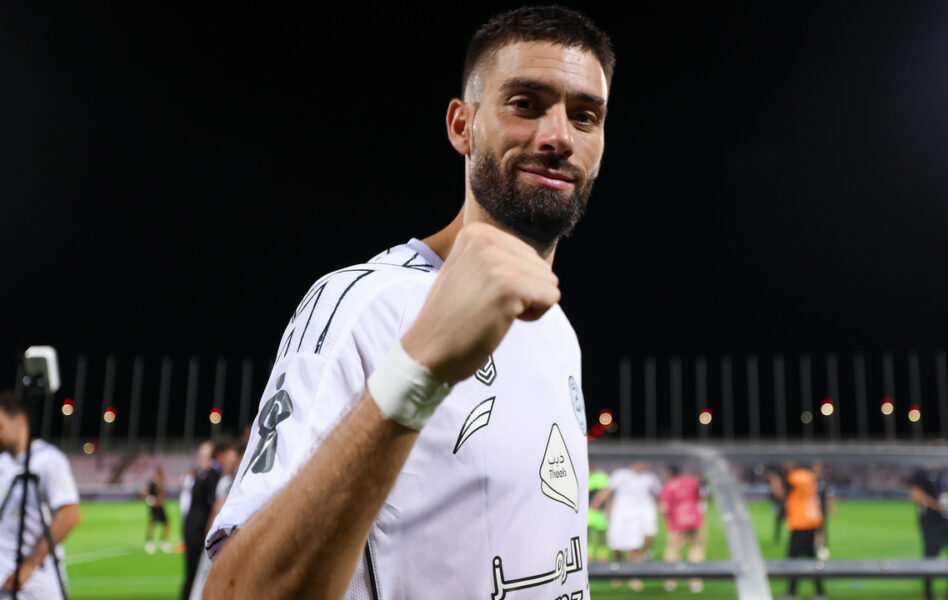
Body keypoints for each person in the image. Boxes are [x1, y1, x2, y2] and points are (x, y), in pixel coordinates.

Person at [204, 6, 614, 598]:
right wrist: (415, 373)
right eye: (525, 103)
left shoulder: (559, 331)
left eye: (585, 116)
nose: (559, 137)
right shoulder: (365, 305)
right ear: (462, 126)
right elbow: (236, 591)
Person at [0, 391, 80, 599]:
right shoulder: (2, 463)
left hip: (36, 586)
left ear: (20, 422)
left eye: (0, 426)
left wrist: (29, 565)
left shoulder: (47, 460)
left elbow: (70, 514)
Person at [591, 462, 660, 591]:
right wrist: (596, 502)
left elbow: (657, 494)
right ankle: (619, 573)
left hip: (637, 518)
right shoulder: (620, 475)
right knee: (616, 546)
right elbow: (608, 490)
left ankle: (634, 576)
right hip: (620, 516)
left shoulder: (649, 478)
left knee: (634, 547)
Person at [183, 436, 237, 600]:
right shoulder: (213, 475)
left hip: (191, 526)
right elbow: (214, 506)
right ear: (220, 455)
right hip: (199, 530)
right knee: (197, 574)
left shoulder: (203, 474)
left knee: (192, 573)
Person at [769, 463, 825, 600]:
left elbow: (780, 494)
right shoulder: (808, 476)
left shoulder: (796, 476)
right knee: (811, 558)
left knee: (793, 558)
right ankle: (819, 592)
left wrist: (774, 480)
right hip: (811, 521)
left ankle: (792, 592)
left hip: (801, 523)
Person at [907, 467, 948, 600]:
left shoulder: (944, 471)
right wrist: (937, 505)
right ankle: (928, 594)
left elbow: (945, 492)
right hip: (930, 523)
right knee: (930, 559)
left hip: (946, 521)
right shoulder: (921, 472)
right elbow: (915, 495)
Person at [659, 465, 708, 593]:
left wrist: (666, 521)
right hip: (694, 521)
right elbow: (702, 497)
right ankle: (695, 582)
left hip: (677, 523)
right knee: (696, 549)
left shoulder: (668, 486)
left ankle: (671, 581)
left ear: (669, 473)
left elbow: (663, 507)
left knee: (672, 551)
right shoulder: (692, 482)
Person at [141, 466, 171, 553]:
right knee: (152, 524)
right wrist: (150, 499)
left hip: (160, 507)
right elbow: (144, 491)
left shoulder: (161, 483)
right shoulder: (152, 483)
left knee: (166, 524)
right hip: (154, 507)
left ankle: (163, 541)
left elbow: (164, 495)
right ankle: (149, 542)